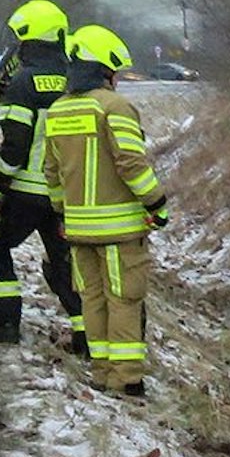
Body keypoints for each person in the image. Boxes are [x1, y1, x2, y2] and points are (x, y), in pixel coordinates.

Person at [41, 25, 167, 396]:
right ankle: (127, 379)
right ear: (105, 70)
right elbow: (131, 163)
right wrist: (156, 202)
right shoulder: (116, 107)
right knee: (124, 299)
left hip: (79, 229)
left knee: (92, 299)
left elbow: (52, 172)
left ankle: (100, 372)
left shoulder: (58, 110)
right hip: (120, 229)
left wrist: (63, 212)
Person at [0, 0, 80, 348]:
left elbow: (17, 142)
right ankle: (84, 331)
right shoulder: (73, 79)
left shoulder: (24, 82)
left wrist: (0, 179)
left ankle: (4, 321)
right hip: (63, 193)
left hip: (25, 189)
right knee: (63, 259)